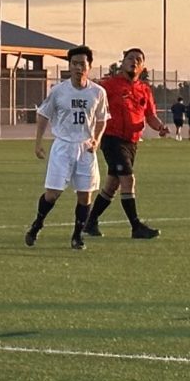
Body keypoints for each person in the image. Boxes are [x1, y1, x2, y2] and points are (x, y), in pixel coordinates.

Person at [24, 46, 110, 250]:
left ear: (89, 66)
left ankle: (77, 235)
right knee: (52, 193)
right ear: (69, 66)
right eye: (74, 63)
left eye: (82, 63)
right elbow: (43, 114)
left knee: (85, 194)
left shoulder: (98, 92)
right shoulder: (58, 91)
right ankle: (37, 224)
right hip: (62, 146)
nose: (78, 67)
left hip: (86, 148)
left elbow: (102, 119)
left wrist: (96, 139)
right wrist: (38, 142)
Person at [83, 48, 169, 240]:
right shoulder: (109, 86)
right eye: (130, 58)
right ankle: (136, 226)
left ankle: (90, 222)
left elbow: (150, 116)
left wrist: (160, 127)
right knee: (128, 180)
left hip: (132, 143)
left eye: (138, 59)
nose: (134, 62)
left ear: (143, 66)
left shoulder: (144, 90)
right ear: (122, 62)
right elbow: (93, 105)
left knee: (112, 184)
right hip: (112, 139)